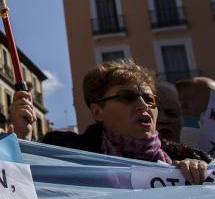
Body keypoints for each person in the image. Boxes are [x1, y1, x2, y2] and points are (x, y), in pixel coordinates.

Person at [15, 60, 210, 183]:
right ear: (98, 111)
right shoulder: (63, 153)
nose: (144, 106)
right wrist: (22, 138)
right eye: (127, 96)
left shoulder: (188, 157)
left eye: (150, 100)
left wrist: (199, 171)